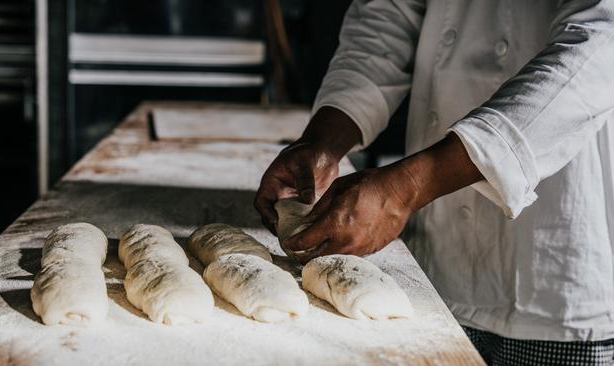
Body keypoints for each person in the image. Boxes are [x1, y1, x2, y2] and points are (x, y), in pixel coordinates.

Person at [255, 0, 614, 364]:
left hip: (556, 273)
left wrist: (405, 189)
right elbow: (387, 16)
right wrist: (323, 142)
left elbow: (598, 46)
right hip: (436, 275)